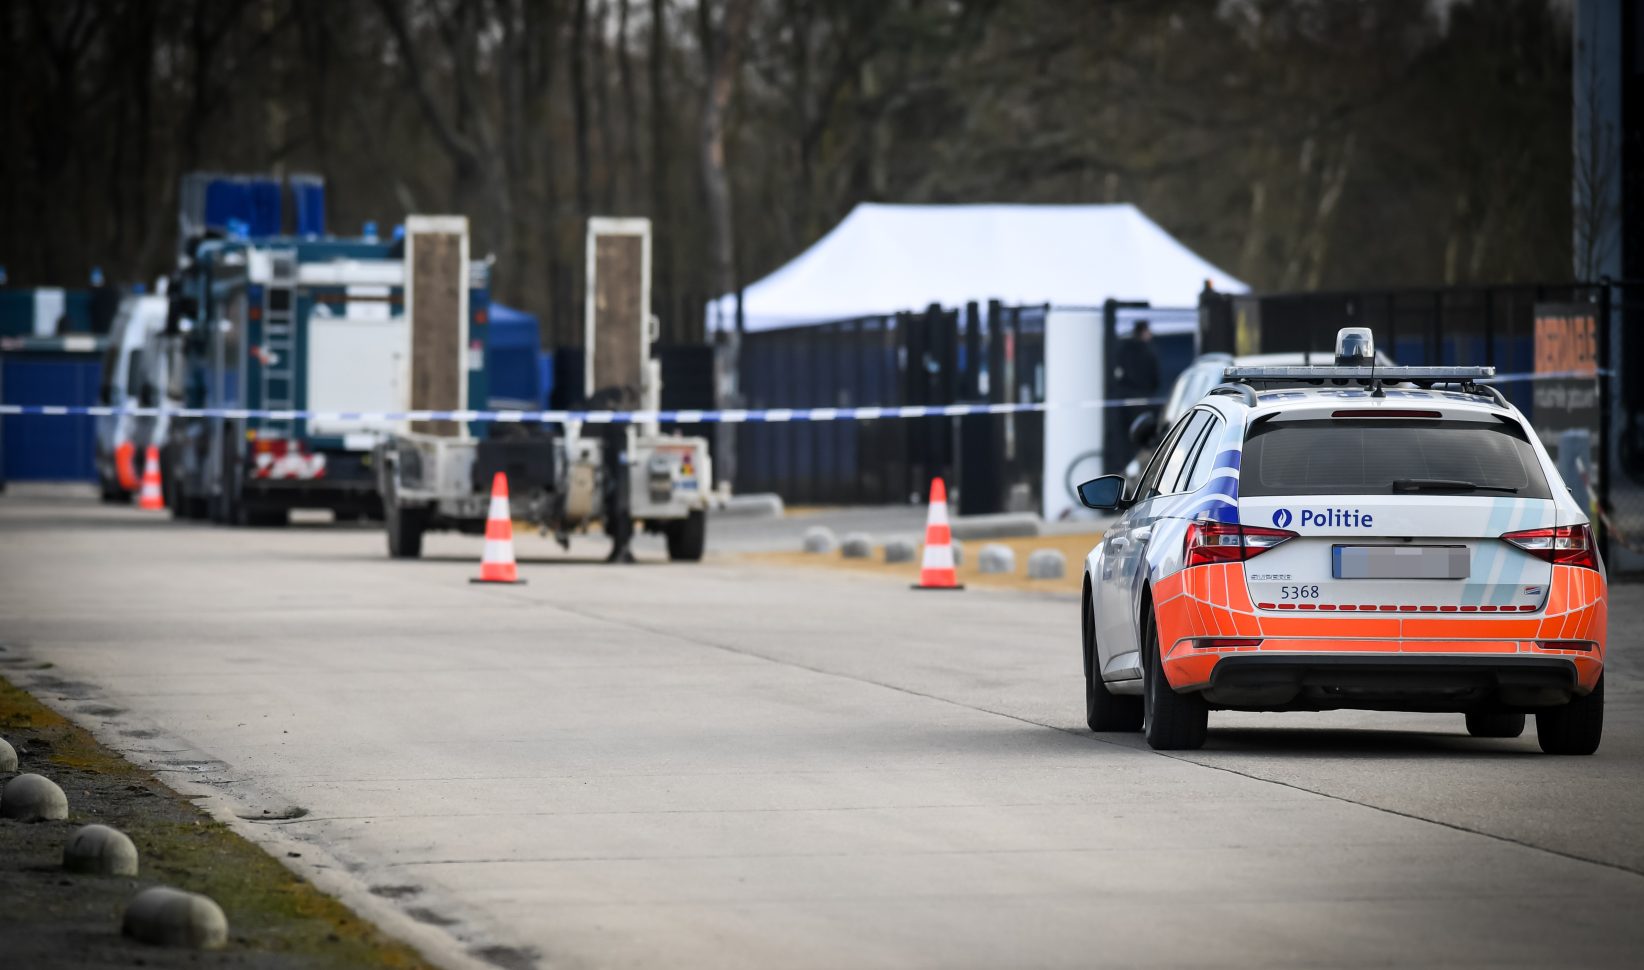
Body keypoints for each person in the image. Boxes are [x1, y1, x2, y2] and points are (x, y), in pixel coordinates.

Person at [1108, 320, 1161, 474]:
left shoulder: (1123, 350)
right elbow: (1155, 378)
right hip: (1144, 400)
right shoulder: (1149, 351)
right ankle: (1139, 471)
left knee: (1126, 441)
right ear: (1144, 332)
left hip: (1125, 401)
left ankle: (1126, 471)